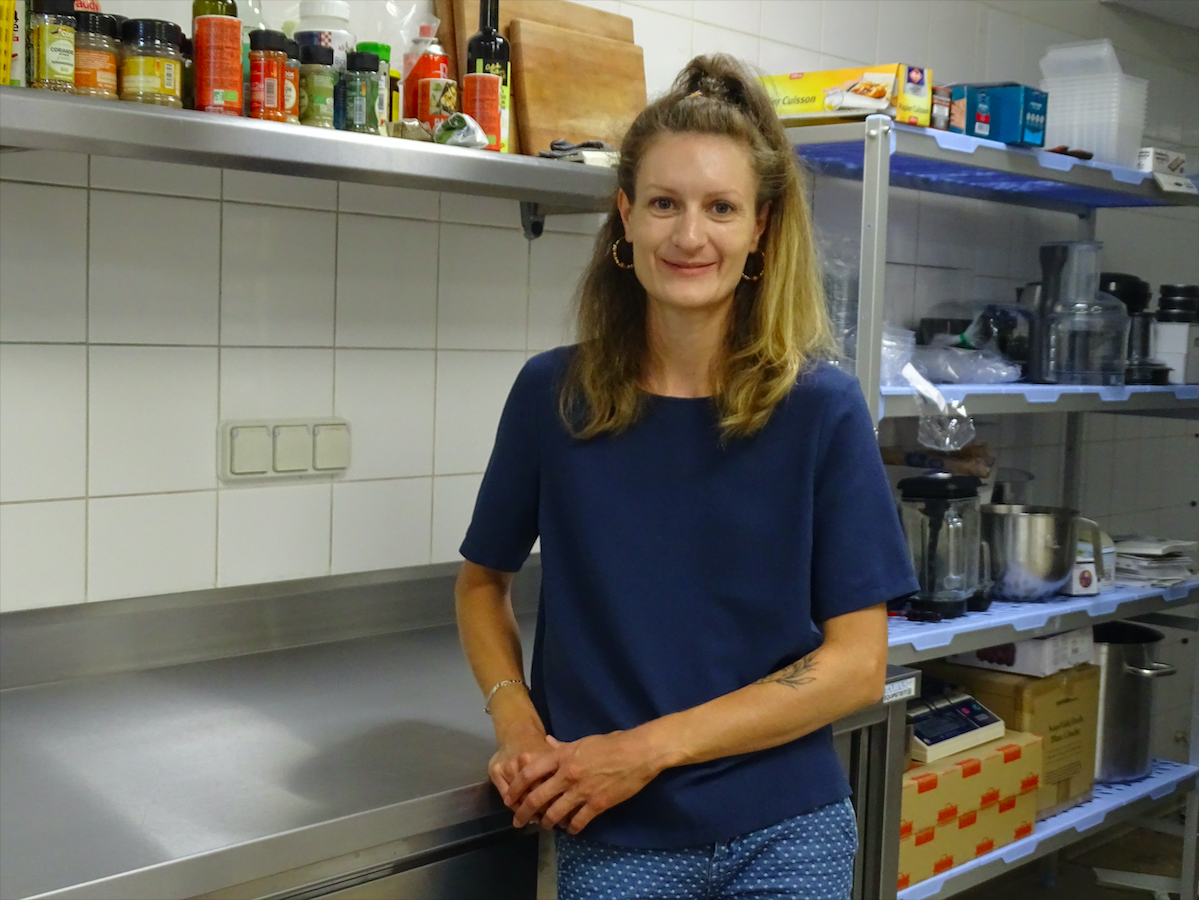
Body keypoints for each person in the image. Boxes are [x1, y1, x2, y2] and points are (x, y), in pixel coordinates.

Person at [455, 54, 918, 900]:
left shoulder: (820, 408)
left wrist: (645, 749)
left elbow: (856, 665)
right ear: (624, 216)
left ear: (760, 229)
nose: (688, 235)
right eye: (664, 203)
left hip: (787, 830)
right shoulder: (551, 396)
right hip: (614, 833)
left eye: (720, 208)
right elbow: (480, 583)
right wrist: (514, 718)